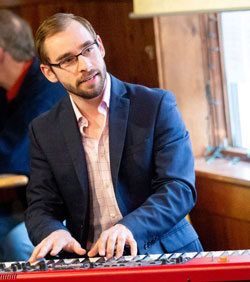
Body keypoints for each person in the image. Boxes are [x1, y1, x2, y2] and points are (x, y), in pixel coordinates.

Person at [25, 13, 203, 262]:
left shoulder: (155, 105)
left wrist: (129, 227)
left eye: (88, 49)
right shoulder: (43, 129)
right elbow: (41, 205)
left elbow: (179, 188)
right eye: (67, 60)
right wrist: (54, 231)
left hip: (165, 252)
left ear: (101, 45)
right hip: (91, 261)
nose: (85, 65)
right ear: (49, 72)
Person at [0, 10, 66, 261]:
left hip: (67, 208)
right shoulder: (8, 89)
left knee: (13, 239)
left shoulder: (45, 88)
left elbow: (13, 157)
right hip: (35, 206)